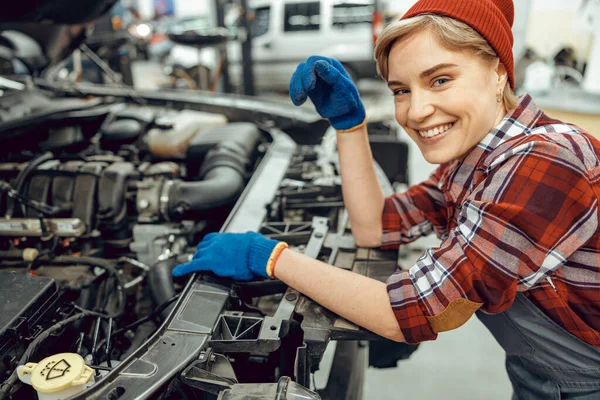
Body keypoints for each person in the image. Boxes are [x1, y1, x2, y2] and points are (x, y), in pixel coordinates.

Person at [172, 0, 600, 398]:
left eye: (441, 79)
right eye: (401, 90)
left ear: (499, 74)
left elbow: (408, 312)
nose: (415, 111)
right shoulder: (476, 160)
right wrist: (348, 125)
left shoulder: (542, 163)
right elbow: (375, 225)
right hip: (543, 377)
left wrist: (270, 258)